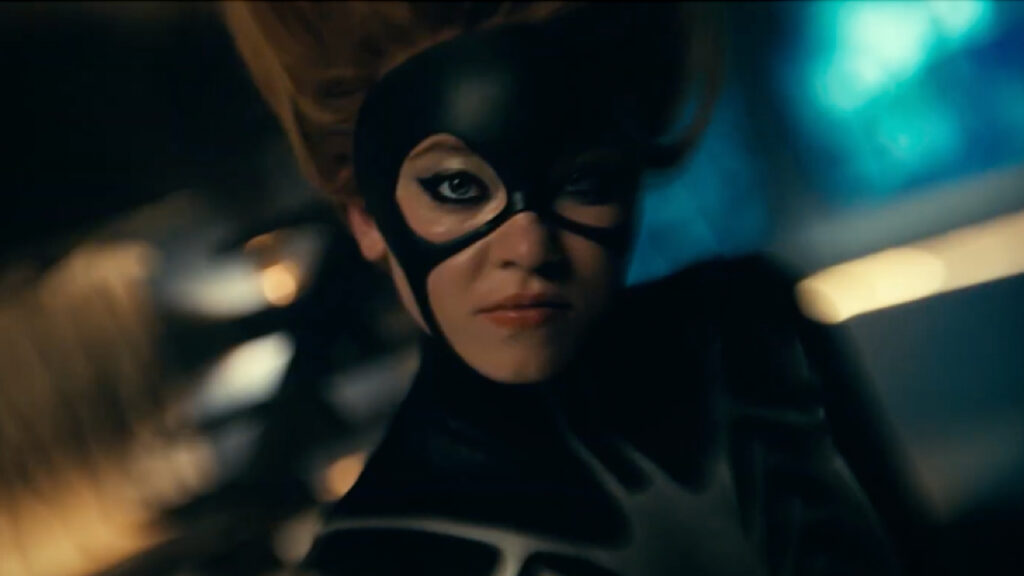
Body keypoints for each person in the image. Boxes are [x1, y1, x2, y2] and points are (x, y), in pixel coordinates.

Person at [223, 3, 903, 575]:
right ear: (366, 217)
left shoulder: (750, 338)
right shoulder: (375, 558)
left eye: (584, 182)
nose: (529, 249)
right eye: (457, 187)